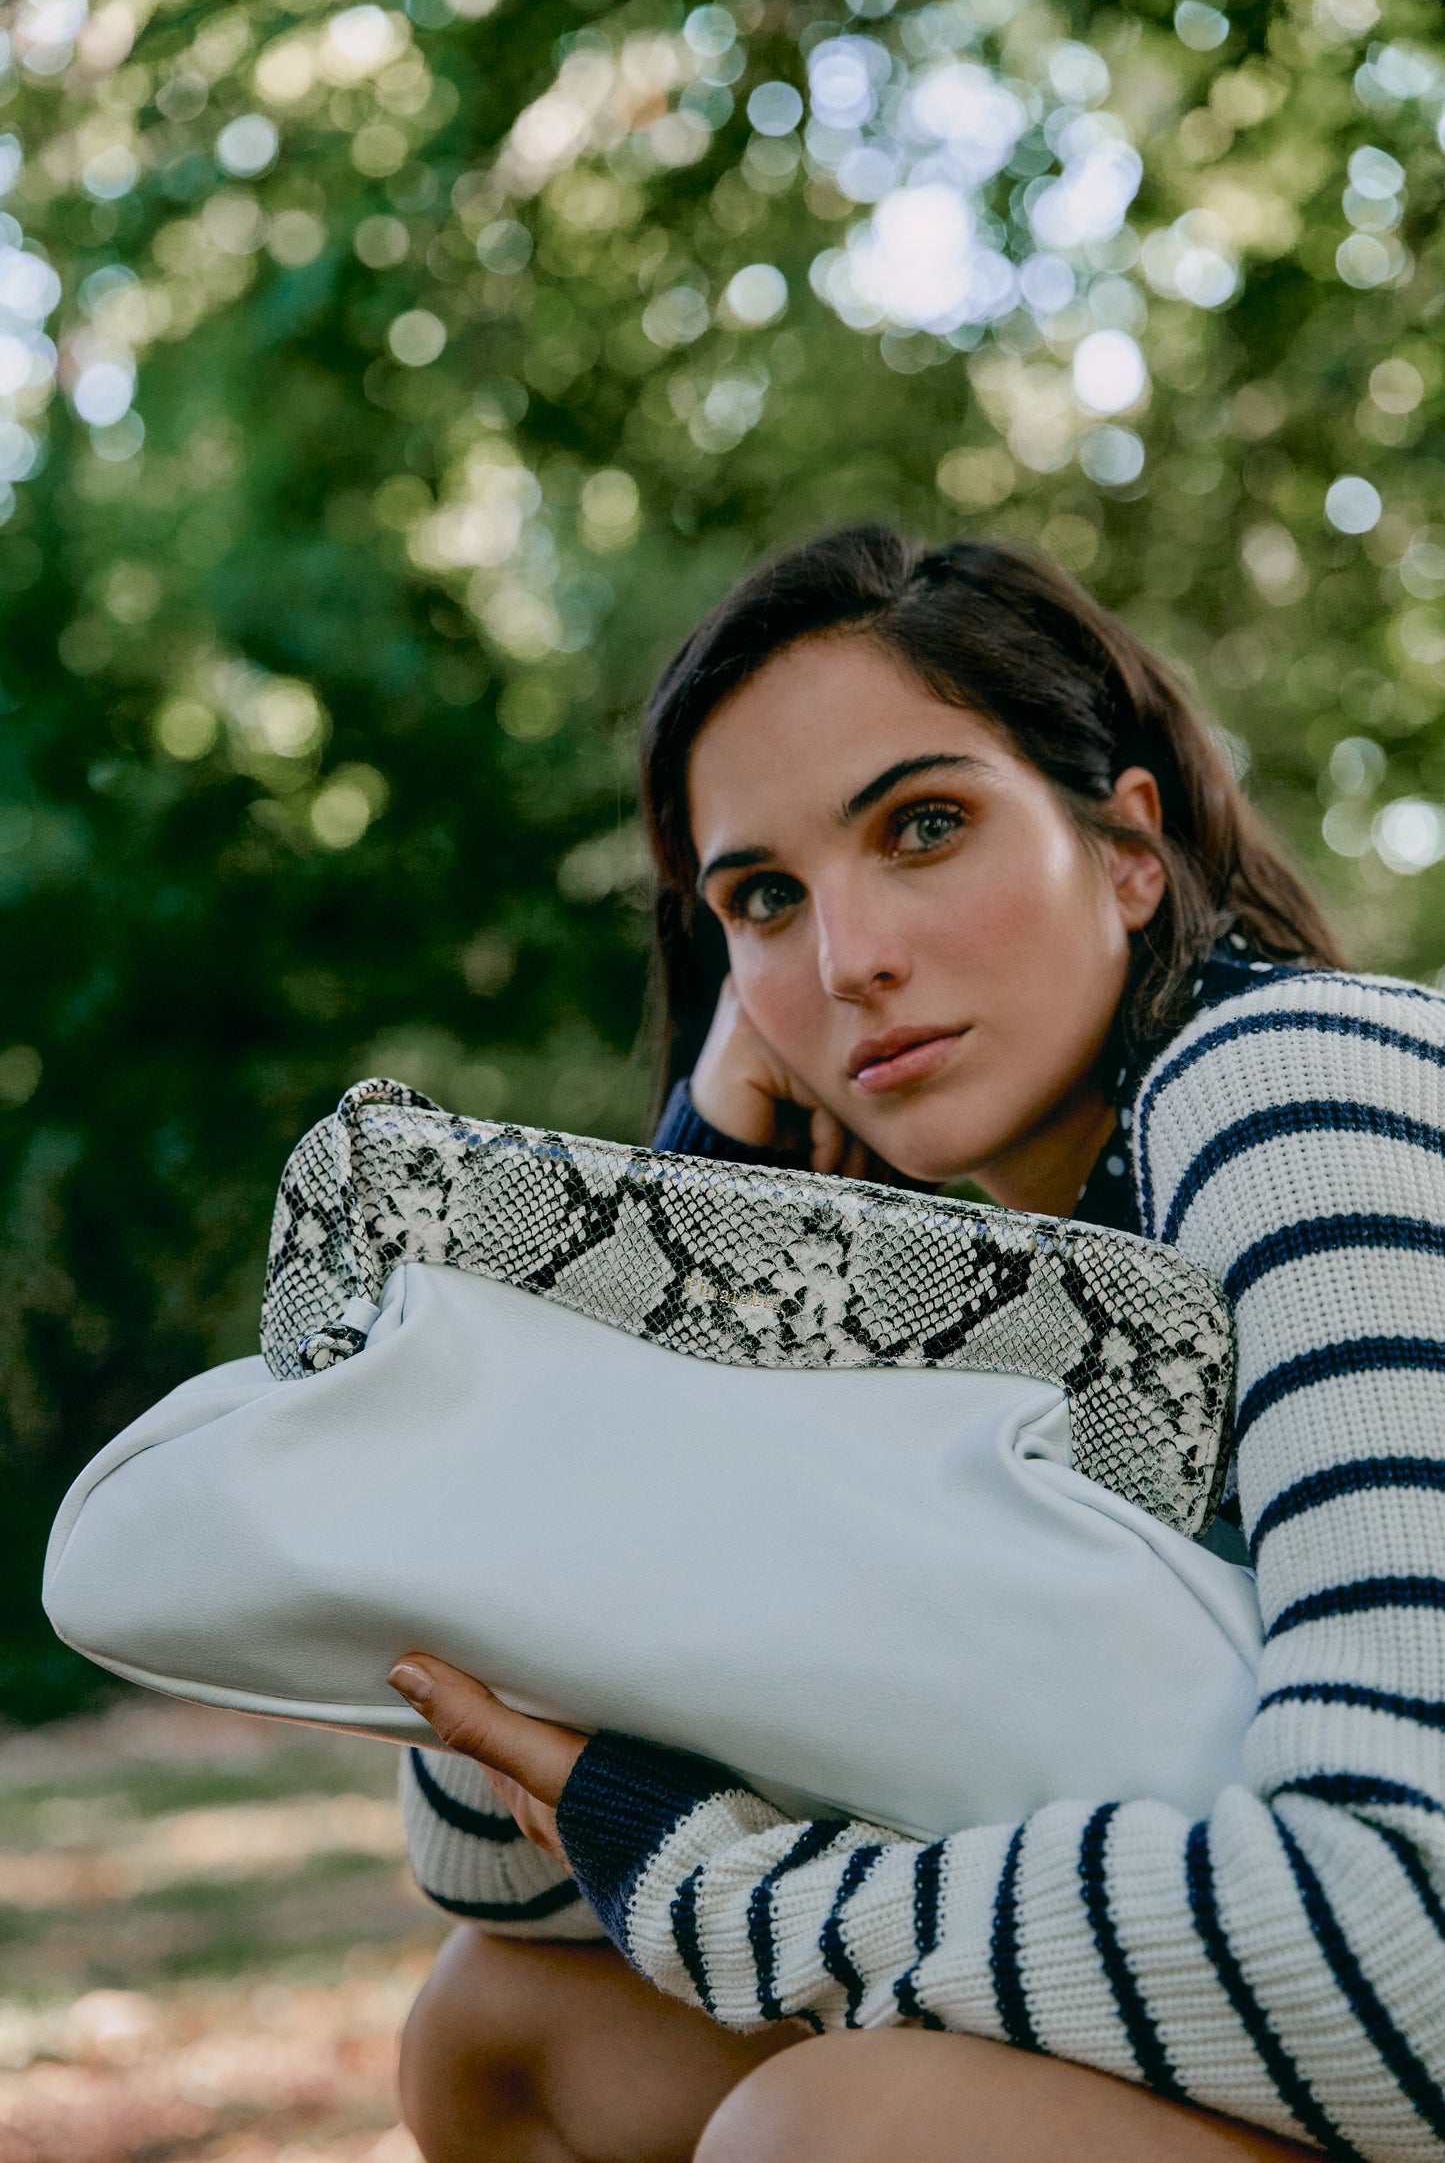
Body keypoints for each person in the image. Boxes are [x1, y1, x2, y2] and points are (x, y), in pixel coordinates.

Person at [389, 528, 1445, 2162]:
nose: (847, 960)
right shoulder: (929, 1284)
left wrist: (743, 1903)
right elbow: (507, 1877)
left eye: (925, 827)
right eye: (764, 899)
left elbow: (1414, 1946)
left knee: (838, 2134)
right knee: (505, 2028)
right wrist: (695, 1235)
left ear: (1125, 851)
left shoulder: (1289, 1093)